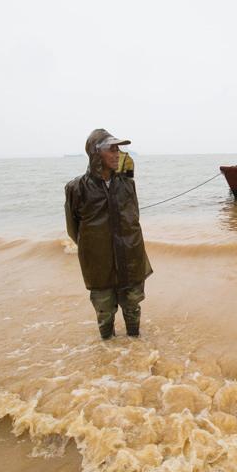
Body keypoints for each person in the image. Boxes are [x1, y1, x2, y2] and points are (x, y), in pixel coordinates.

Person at [65, 129, 152, 339]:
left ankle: (135, 353)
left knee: (133, 309)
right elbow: (72, 228)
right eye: (111, 149)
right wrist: (96, 247)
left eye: (118, 149)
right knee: (104, 314)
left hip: (130, 257)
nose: (117, 154)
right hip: (98, 262)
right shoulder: (76, 188)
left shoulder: (126, 184)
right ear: (96, 153)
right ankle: (108, 358)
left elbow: (134, 218)